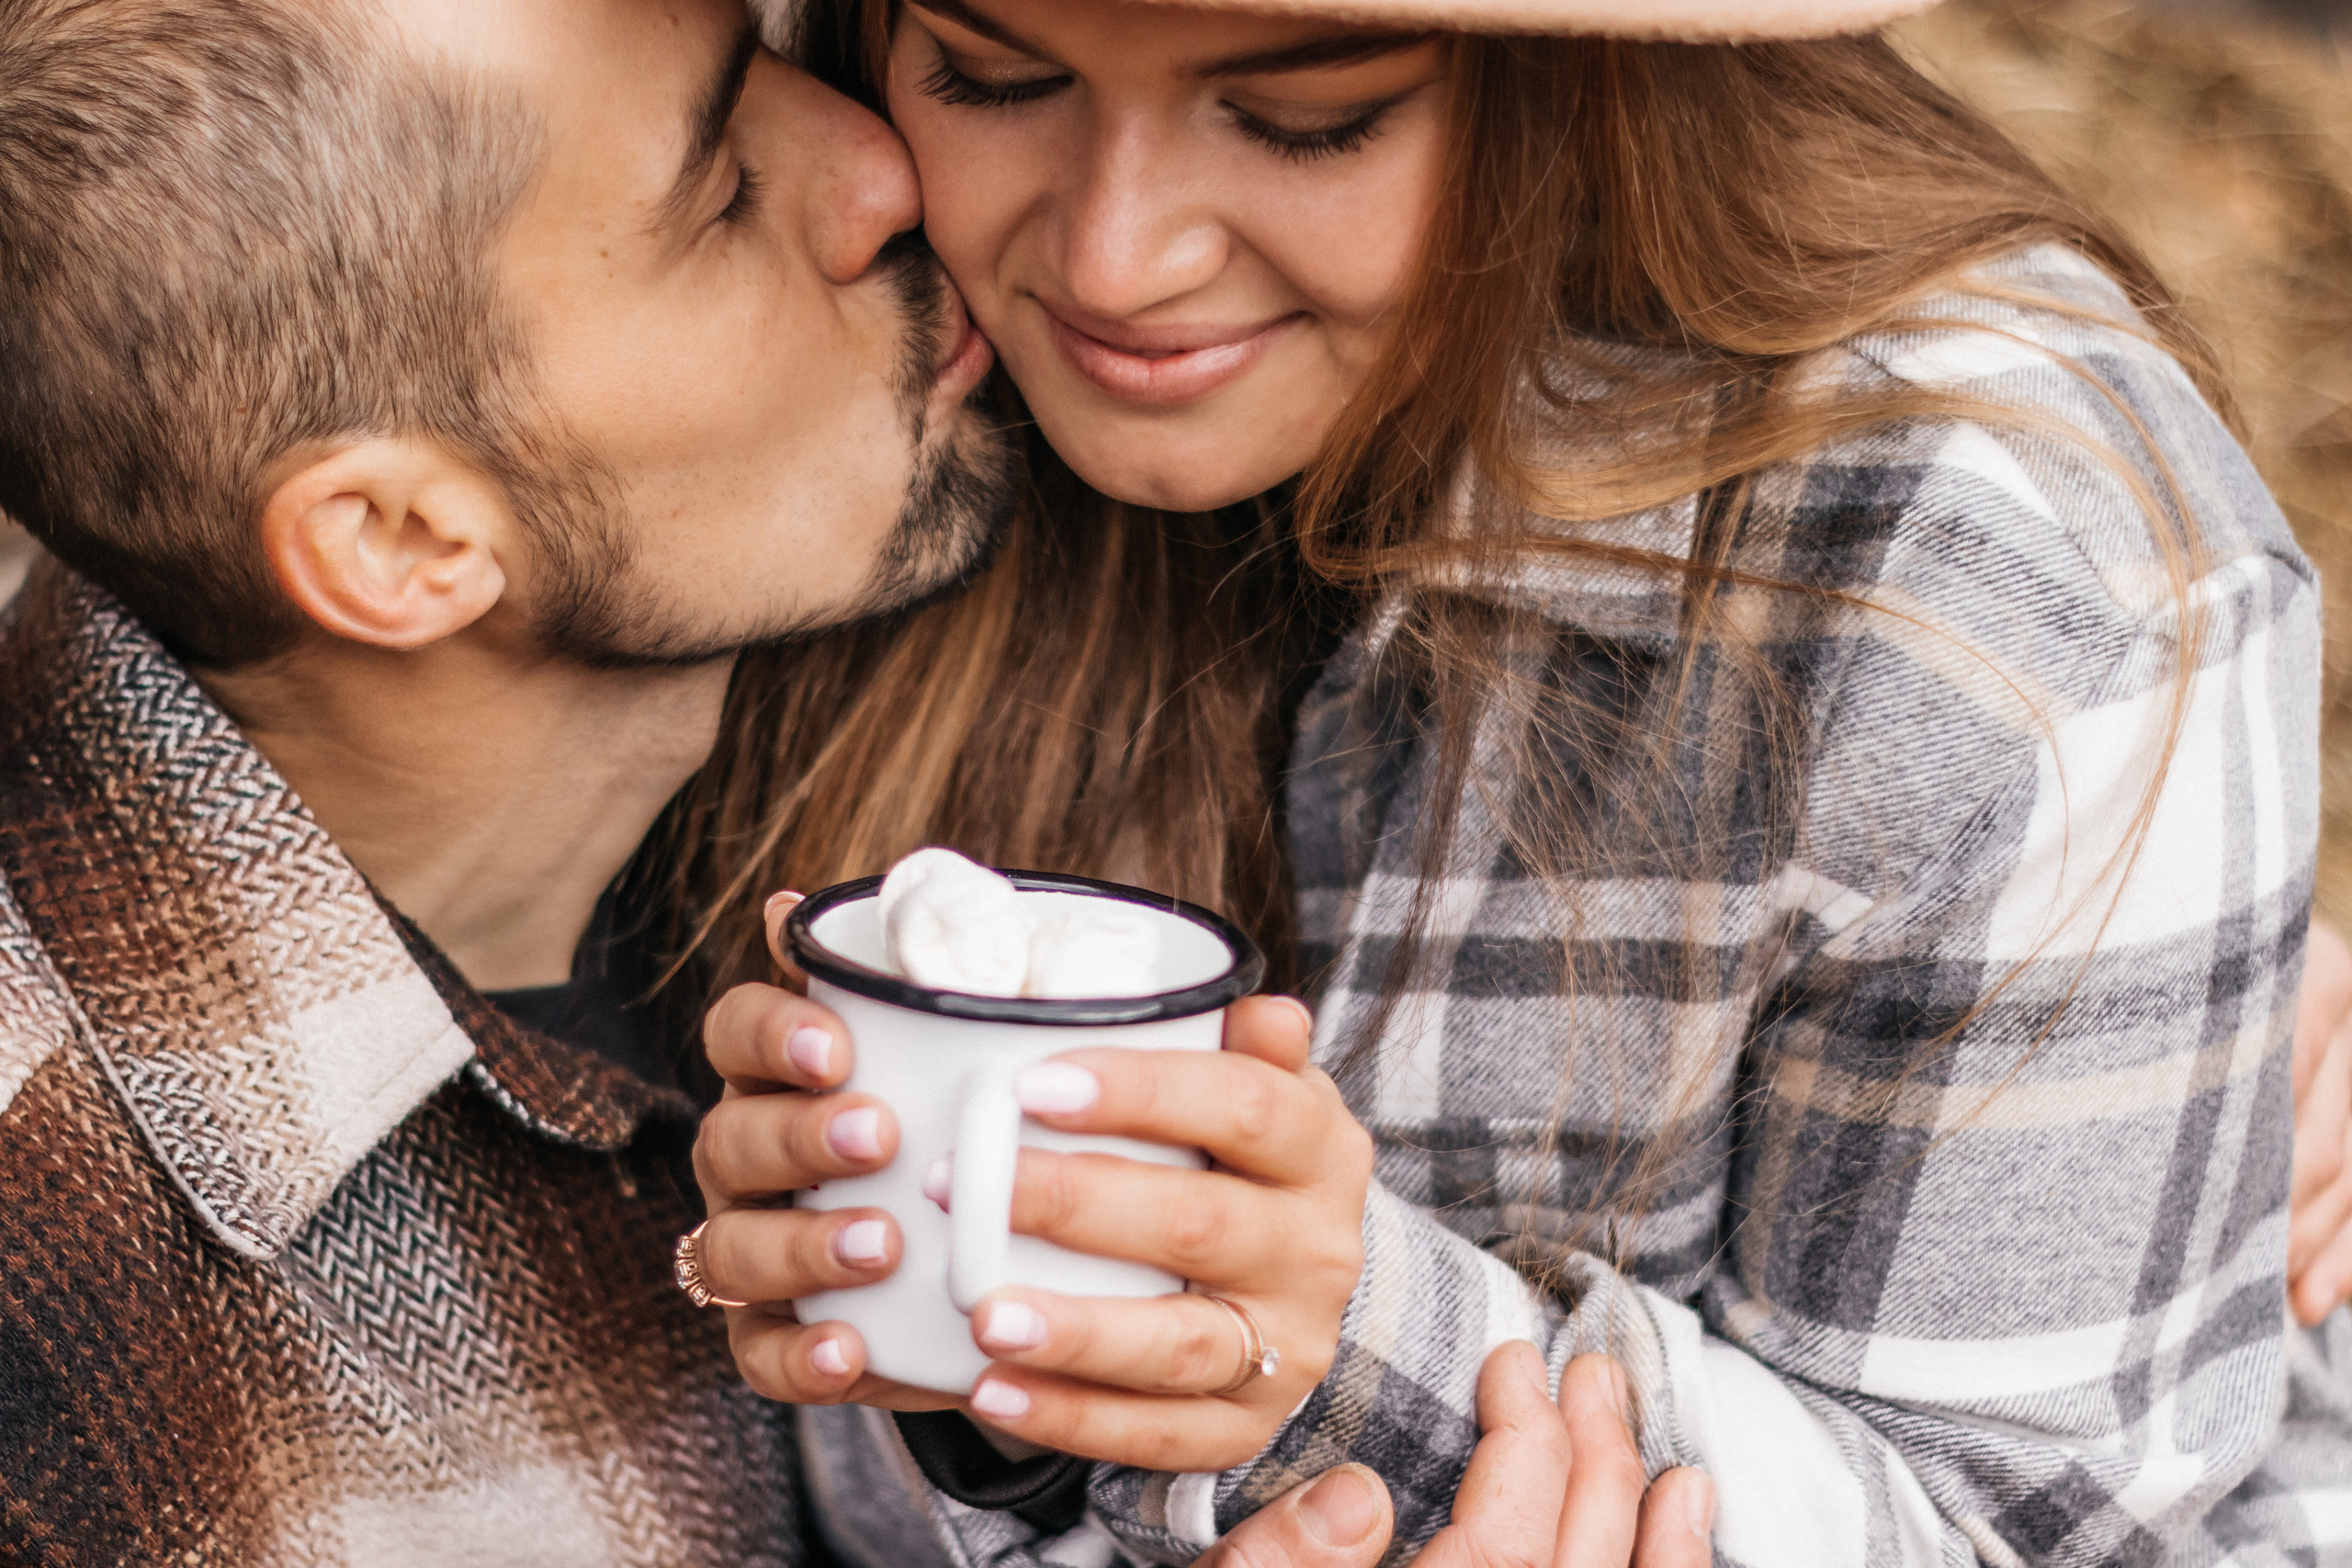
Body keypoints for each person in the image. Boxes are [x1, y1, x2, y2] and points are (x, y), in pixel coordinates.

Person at [0, 0, 1704, 1562]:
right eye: (720, 192)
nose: (884, 169)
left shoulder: (763, 886)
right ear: (400, 541)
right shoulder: (55, 1317)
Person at [678, 0, 2351, 1562]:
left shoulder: (1993, 585)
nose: (1118, 254)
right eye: (992, 75)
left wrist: (1318, 1360)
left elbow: (2051, 1530)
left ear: (1576, 78)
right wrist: (997, 1385)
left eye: (1306, 118)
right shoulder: (806, 361)